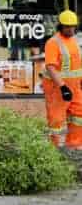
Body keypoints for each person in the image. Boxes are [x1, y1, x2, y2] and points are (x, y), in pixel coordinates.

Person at [43, 10, 82, 149]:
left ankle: (74, 143)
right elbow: (50, 67)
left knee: (78, 114)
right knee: (56, 118)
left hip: (75, 87)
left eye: (73, 26)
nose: (71, 29)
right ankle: (54, 148)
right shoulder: (53, 43)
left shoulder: (76, 41)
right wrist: (63, 87)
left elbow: (78, 64)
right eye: (67, 26)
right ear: (61, 26)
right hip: (58, 89)